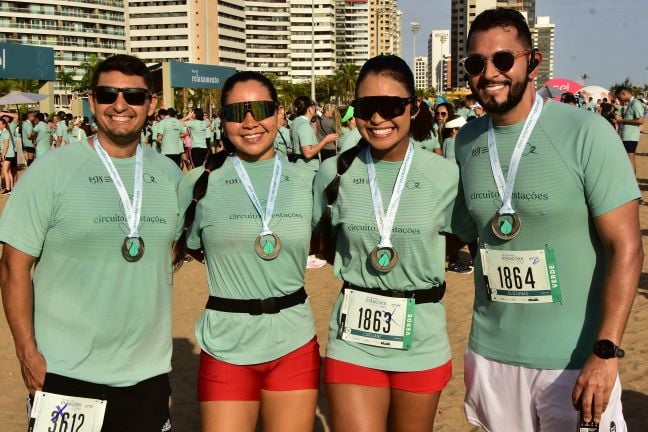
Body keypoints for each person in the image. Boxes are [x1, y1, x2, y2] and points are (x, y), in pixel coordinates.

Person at [452, 8, 642, 431]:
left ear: (533, 62)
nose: (489, 73)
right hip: (491, 356)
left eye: (503, 60)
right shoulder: (465, 142)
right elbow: (461, 236)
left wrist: (606, 351)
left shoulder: (586, 132)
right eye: (475, 63)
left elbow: (626, 247)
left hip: (574, 363)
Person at [0, 54, 183, 432]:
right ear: (92, 99)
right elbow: (12, 267)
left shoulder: (168, 175)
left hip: (146, 374)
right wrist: (26, 350)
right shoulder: (50, 171)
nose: (120, 105)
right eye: (107, 94)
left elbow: (173, 250)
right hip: (65, 373)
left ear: (151, 103)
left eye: (133, 96)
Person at [312, 55, 459, 432]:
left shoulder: (445, 176)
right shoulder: (333, 172)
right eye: (366, 107)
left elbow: (462, 238)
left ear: (411, 108)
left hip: (421, 334)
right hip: (353, 337)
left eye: (392, 106)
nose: (378, 119)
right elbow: (323, 241)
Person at [175, 71, 320, 432]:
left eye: (261, 109)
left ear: (279, 113)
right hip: (226, 343)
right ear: (222, 120)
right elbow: (188, 247)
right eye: (237, 112)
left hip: (294, 341)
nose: (251, 122)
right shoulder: (198, 182)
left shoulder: (308, 179)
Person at [289, 96, 338, 171]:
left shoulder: (295, 122)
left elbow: (310, 137)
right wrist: (326, 140)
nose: (316, 109)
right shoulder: (304, 126)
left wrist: (313, 122)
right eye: (314, 107)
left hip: (299, 166)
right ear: (310, 109)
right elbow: (308, 153)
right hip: (308, 169)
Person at [615, 86, 644, 175]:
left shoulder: (635, 103)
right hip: (627, 136)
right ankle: (631, 181)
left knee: (630, 158)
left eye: (620, 97)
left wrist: (621, 120)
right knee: (628, 159)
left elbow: (640, 120)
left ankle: (632, 182)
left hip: (631, 137)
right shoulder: (630, 104)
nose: (620, 100)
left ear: (624, 93)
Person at [0, 117, 16, 194]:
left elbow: (6, 145)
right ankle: (11, 187)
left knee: (4, 171)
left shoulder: (5, 133)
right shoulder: (3, 132)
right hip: (9, 154)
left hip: (8, 154)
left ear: (4, 125)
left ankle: (8, 188)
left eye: (0, 124)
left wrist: (3, 155)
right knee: (8, 171)